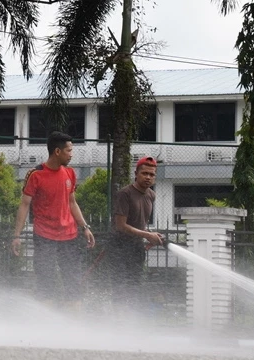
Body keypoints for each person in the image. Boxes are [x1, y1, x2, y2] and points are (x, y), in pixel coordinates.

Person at [12, 131, 95, 304]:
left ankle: (75, 323)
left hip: (70, 236)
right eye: (69, 151)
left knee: (73, 283)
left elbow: (72, 203)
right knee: (46, 283)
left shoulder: (70, 173)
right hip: (44, 237)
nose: (71, 155)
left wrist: (85, 227)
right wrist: (17, 236)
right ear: (57, 151)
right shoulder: (36, 174)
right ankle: (45, 325)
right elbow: (25, 204)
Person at [107, 156, 163, 308]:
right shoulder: (125, 194)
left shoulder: (151, 195)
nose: (148, 177)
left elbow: (140, 223)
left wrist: (152, 235)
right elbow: (121, 225)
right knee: (119, 285)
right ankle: (118, 318)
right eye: (144, 173)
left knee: (135, 284)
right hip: (119, 246)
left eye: (152, 174)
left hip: (136, 246)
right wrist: (146, 235)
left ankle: (131, 319)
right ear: (136, 174)